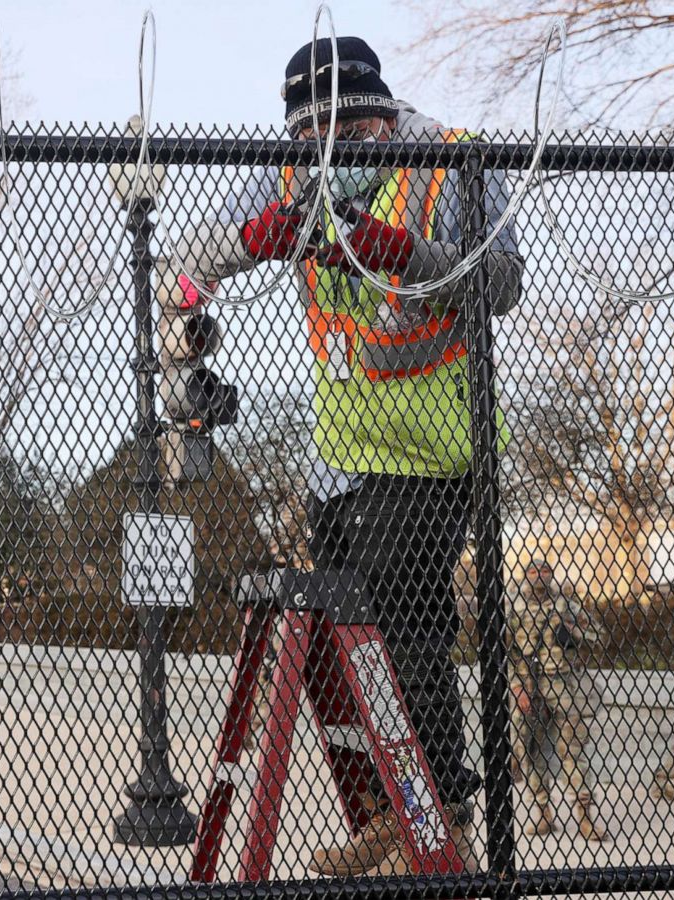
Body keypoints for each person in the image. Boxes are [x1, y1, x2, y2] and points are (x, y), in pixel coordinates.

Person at [160, 36, 524, 875]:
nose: (330, 149)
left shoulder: (444, 162)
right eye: (310, 133)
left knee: (404, 614)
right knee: (344, 636)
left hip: (437, 444)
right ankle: (390, 816)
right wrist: (248, 241)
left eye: (349, 129)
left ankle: (445, 816)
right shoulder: (290, 171)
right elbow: (186, 265)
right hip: (343, 448)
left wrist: (407, 255)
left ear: (383, 112)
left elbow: (502, 284)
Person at [509, 558, 608, 842]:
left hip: (565, 683)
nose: (539, 576)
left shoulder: (567, 605)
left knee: (572, 750)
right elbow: (505, 651)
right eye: (533, 571)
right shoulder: (514, 607)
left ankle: (585, 818)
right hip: (528, 685)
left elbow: (598, 636)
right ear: (525, 575)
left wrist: (573, 629)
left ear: (551, 575)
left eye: (544, 571)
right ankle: (543, 814)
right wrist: (517, 687)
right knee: (530, 750)